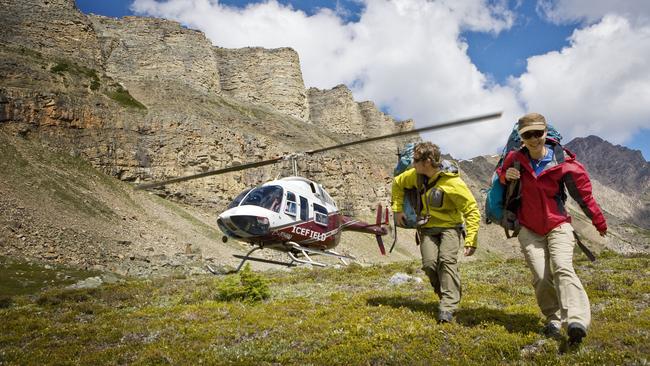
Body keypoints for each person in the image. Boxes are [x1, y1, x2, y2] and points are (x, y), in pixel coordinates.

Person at [497, 112, 607, 346]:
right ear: (522, 138)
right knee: (541, 276)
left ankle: (576, 321)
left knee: (563, 268)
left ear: (546, 133)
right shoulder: (514, 159)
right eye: (529, 135)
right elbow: (501, 178)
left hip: (559, 225)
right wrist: (507, 175)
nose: (535, 139)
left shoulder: (564, 162)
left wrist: (599, 221)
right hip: (528, 228)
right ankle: (553, 319)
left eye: (539, 133)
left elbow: (585, 196)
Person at [391, 142, 480, 323]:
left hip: (450, 227)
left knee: (447, 261)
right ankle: (447, 293)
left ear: (428, 161)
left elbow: (471, 210)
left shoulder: (453, 183)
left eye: (416, 160)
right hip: (427, 228)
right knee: (430, 264)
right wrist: (398, 209)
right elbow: (397, 183)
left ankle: (448, 306)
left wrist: (471, 240)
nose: (413, 163)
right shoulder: (415, 176)